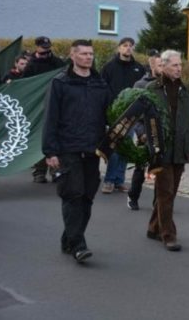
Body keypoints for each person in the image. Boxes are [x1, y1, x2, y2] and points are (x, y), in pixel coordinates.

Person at [42, 40, 111, 263]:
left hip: (92, 149)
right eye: (83, 54)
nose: (88, 57)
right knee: (73, 196)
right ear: (73, 56)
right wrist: (50, 151)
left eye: (91, 54)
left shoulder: (100, 84)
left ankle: (69, 238)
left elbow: (111, 114)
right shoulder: (60, 83)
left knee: (87, 199)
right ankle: (79, 245)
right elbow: (50, 118)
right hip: (67, 149)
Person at [145, 50, 189, 251]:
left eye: (180, 65)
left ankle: (153, 227)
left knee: (170, 192)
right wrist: (146, 141)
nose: (179, 69)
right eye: (175, 65)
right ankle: (168, 235)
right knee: (165, 191)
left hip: (180, 147)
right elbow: (144, 117)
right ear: (164, 66)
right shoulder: (153, 88)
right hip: (161, 148)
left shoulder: (186, 89)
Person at [100, 37, 146, 193]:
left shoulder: (139, 68)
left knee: (126, 148)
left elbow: (142, 92)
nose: (128, 48)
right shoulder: (109, 67)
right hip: (114, 114)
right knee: (114, 149)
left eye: (131, 46)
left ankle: (120, 180)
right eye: (125, 46)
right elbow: (102, 90)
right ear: (119, 48)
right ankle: (109, 180)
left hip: (132, 115)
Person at [23, 36, 66, 183]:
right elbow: (26, 85)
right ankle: (39, 171)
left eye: (48, 47)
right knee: (40, 138)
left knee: (55, 137)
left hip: (55, 104)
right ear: (37, 47)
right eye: (43, 47)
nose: (46, 50)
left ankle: (55, 170)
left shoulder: (57, 62)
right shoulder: (31, 66)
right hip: (38, 107)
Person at [127, 54, 163, 211]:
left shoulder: (166, 85)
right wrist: (141, 132)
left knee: (161, 169)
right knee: (140, 168)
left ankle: (159, 202)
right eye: (160, 65)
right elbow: (134, 113)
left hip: (162, 135)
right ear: (152, 67)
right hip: (144, 133)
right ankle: (133, 196)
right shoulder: (140, 85)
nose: (163, 68)